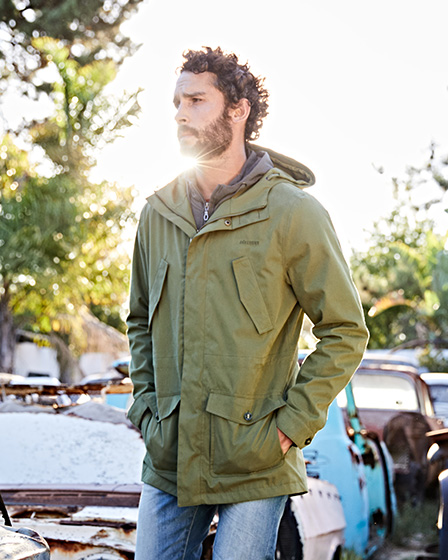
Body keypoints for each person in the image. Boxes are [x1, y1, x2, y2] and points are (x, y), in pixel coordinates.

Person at [127, 46, 369, 560]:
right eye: (176, 102)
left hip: (257, 459)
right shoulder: (157, 214)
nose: (180, 113)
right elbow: (140, 323)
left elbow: (345, 330)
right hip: (169, 456)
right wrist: (148, 412)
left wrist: (289, 428)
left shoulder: (293, 212)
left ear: (238, 110)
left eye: (196, 100)